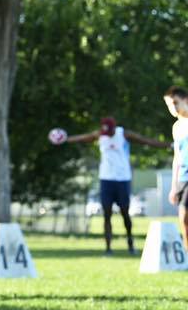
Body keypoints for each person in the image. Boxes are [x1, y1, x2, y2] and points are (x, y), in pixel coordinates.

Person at [55, 117, 169, 255]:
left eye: (109, 133)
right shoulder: (100, 135)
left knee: (125, 213)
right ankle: (108, 248)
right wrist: (66, 139)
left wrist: (169, 145)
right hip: (106, 179)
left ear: (114, 128)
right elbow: (84, 138)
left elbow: (146, 141)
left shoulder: (124, 134)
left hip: (122, 179)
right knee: (107, 214)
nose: (107, 135)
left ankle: (130, 242)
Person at [163, 86, 188, 249]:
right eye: (169, 105)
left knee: (184, 213)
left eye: (175, 103)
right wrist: (173, 187)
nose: (173, 108)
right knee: (183, 218)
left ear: (186, 100)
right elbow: (177, 158)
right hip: (183, 178)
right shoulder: (177, 127)